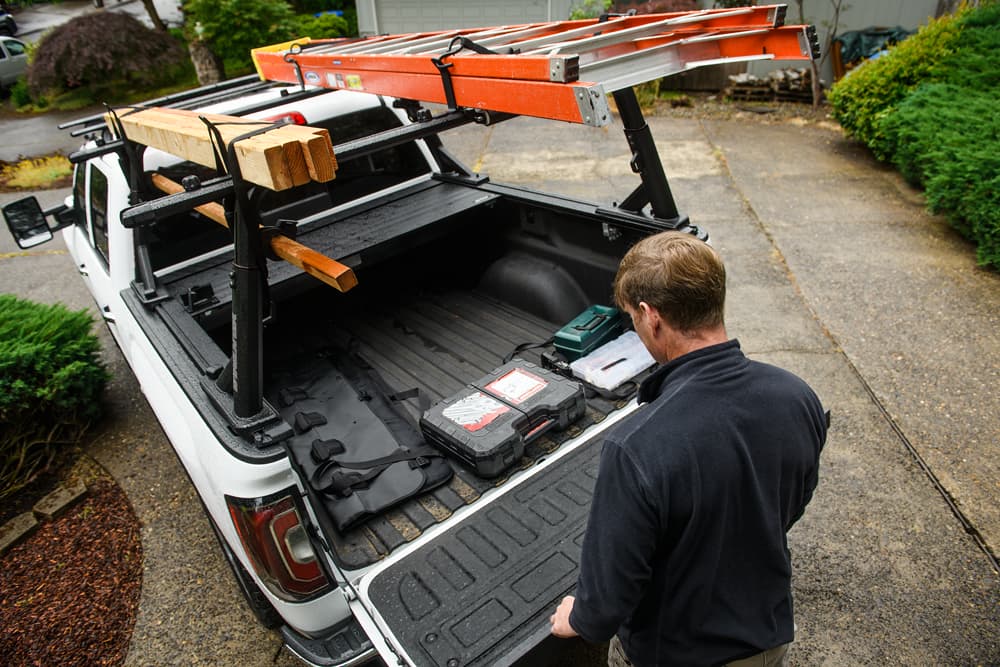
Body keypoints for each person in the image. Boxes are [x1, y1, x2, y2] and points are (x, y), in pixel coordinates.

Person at [549, 231, 828, 666]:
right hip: (769, 638)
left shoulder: (636, 446)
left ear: (650, 315)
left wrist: (579, 617)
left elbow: (607, 601)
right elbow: (791, 503)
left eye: (632, 319)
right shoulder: (797, 396)